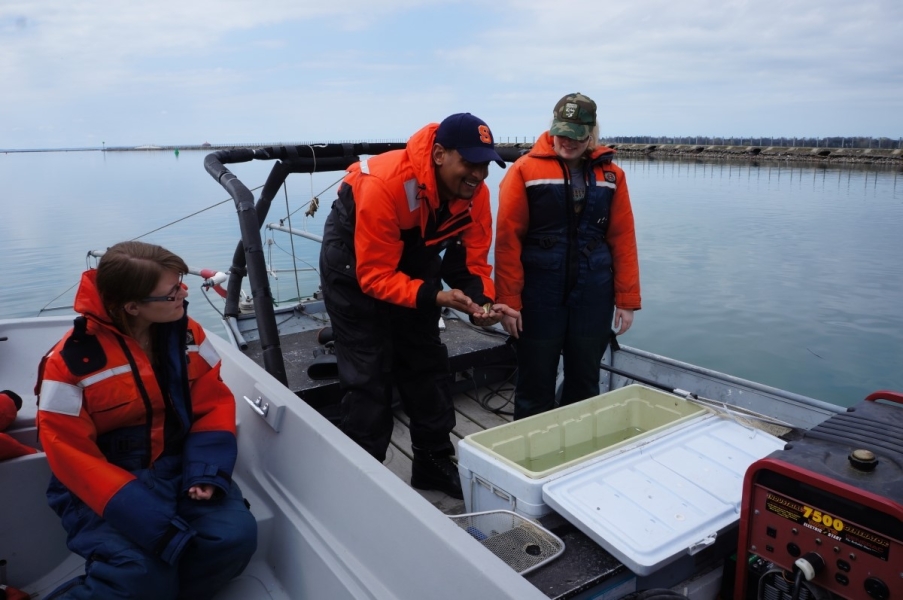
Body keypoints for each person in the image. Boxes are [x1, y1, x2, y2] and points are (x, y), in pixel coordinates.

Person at [36, 241, 257, 600]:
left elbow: (212, 404)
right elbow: (67, 451)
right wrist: (137, 510)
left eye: (181, 282)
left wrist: (206, 471)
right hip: (105, 480)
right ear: (133, 307)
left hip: (177, 463)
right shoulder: (70, 363)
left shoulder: (191, 336)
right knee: (138, 576)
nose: (184, 293)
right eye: (172, 292)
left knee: (232, 539)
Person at [319, 113, 518, 499]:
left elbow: (471, 262)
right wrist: (435, 296)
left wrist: (484, 303)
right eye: (470, 163)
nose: (478, 175)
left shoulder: (474, 194)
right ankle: (362, 480)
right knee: (369, 374)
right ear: (440, 154)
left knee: (427, 362)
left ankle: (432, 462)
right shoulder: (385, 184)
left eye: (484, 165)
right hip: (353, 263)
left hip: (416, 253)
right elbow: (374, 276)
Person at [494, 93, 641, 420]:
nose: (567, 142)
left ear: (591, 134)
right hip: (538, 295)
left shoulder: (613, 176)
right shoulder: (524, 171)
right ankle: (528, 459)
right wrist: (508, 301)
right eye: (561, 133)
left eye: (576, 136)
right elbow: (507, 242)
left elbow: (622, 239)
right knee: (534, 383)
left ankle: (578, 458)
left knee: (585, 383)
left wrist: (627, 299)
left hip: (594, 295)